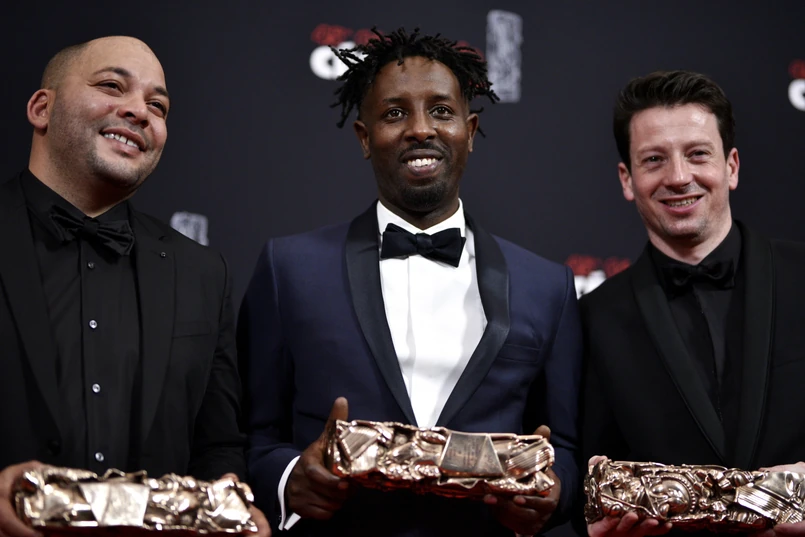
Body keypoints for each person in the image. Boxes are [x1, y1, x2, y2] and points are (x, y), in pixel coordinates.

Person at [238, 28, 582, 536]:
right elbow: (250, 434)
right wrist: (290, 480)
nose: (421, 129)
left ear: (470, 130)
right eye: (395, 113)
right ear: (364, 137)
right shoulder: (288, 269)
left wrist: (552, 493)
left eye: (441, 111)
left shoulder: (547, 287)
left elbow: (566, 448)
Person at [0, 36, 268, 537]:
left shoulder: (203, 273)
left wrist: (230, 506)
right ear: (42, 108)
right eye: (111, 86)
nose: (139, 111)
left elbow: (217, 445)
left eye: (157, 106)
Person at [579, 70, 805, 537]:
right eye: (654, 160)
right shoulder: (594, 320)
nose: (679, 177)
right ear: (627, 179)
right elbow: (587, 490)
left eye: (698, 154)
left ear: (731, 166)